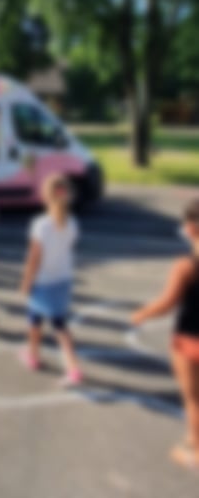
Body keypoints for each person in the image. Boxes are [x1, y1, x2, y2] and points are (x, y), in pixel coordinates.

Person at [132, 199, 199, 470]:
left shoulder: (186, 265)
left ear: (192, 228)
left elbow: (168, 302)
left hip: (189, 340)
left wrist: (142, 313)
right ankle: (193, 437)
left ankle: (195, 450)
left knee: (193, 398)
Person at [19, 174, 82, 387]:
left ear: (45, 196)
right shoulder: (72, 223)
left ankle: (70, 367)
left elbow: (33, 258)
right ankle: (34, 355)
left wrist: (26, 282)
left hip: (43, 281)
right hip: (62, 279)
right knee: (47, 321)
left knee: (45, 323)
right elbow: (68, 248)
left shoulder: (41, 225)